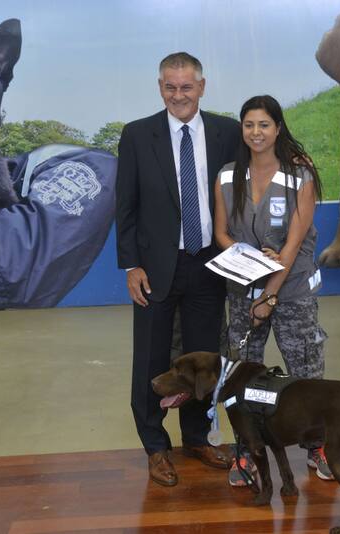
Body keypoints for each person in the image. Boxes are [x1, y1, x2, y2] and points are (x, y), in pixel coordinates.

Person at [115, 52, 241, 487]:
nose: (178, 95)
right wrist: (131, 265)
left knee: (203, 363)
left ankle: (197, 438)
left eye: (187, 87)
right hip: (154, 270)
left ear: (202, 87)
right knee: (150, 362)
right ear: (160, 87)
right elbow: (125, 206)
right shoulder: (136, 135)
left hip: (209, 266)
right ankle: (155, 447)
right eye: (170, 86)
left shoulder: (227, 132)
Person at [213, 95, 332, 484]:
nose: (256, 132)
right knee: (240, 375)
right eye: (249, 125)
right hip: (243, 293)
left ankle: (319, 448)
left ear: (277, 128)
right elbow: (220, 233)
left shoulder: (301, 176)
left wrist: (269, 295)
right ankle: (246, 454)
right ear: (242, 130)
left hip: (291, 293)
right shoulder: (228, 176)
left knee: (306, 372)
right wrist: (246, 256)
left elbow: (293, 247)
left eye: (264, 124)